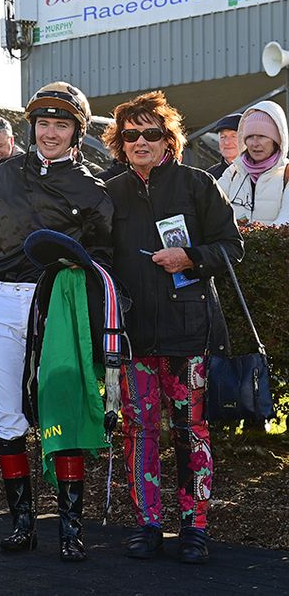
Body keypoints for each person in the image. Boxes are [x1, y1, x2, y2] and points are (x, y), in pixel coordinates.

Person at [0, 81, 114, 561]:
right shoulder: (5, 176)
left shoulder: (94, 190)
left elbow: (103, 261)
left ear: (76, 132)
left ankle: (70, 530)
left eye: (61, 124)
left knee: (59, 414)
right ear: (32, 126)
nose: (50, 132)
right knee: (8, 418)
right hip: (2, 304)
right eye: (43, 123)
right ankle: (23, 525)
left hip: (58, 310)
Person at [102, 90, 243, 565]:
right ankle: (147, 524)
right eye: (131, 133)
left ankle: (195, 527)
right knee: (139, 431)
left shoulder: (198, 184)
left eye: (151, 132)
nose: (141, 141)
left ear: (169, 139)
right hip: (132, 334)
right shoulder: (109, 190)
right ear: (120, 141)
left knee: (191, 430)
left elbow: (232, 246)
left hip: (189, 333)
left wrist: (192, 257)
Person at [216, 103, 289, 226]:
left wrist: (254, 237)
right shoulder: (234, 171)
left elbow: (286, 219)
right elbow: (208, 205)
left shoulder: (286, 173)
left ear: (277, 140)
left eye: (262, 136)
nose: (255, 143)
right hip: (235, 245)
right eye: (250, 137)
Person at [206, 113, 242, 181]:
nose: (227, 142)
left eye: (233, 136)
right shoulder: (210, 176)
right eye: (223, 137)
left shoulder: (256, 172)